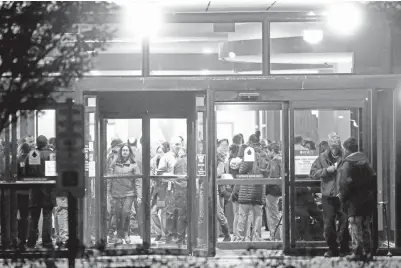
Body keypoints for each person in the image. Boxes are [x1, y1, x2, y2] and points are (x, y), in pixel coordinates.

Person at [310, 132, 350, 257]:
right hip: (328, 197)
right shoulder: (322, 158)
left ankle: (344, 248)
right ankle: (333, 249)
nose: (335, 148)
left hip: (343, 195)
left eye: (336, 146)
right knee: (328, 225)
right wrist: (326, 171)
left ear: (339, 145)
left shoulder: (347, 156)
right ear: (329, 145)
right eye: (332, 146)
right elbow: (312, 173)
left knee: (345, 223)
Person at [338, 137, 376, 261]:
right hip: (367, 200)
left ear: (347, 150)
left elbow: (345, 183)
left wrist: (342, 198)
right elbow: (373, 179)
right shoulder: (366, 162)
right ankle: (368, 252)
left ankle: (358, 252)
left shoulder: (348, 163)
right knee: (365, 226)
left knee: (354, 226)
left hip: (354, 201)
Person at [107, 144, 141, 244]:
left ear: (129, 152)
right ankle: (118, 236)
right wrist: (108, 192)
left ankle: (126, 234)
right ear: (121, 152)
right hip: (116, 193)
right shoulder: (114, 163)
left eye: (127, 150)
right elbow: (109, 178)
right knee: (117, 215)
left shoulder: (134, 164)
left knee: (126, 214)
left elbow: (138, 180)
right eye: (123, 150)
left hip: (129, 193)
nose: (125, 152)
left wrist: (139, 195)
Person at [234, 134, 265, 242]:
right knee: (258, 214)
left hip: (248, 187)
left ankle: (241, 238)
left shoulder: (249, 151)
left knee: (243, 214)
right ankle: (256, 238)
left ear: (250, 141)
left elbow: (243, 169)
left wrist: (240, 165)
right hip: (259, 187)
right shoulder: (264, 151)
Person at [26, 135, 55, 249]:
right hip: (48, 189)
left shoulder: (34, 154)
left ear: (37, 144)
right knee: (47, 215)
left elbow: (29, 172)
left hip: (35, 189)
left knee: (34, 216)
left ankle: (32, 241)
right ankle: (47, 241)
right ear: (46, 143)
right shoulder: (51, 154)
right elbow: (55, 172)